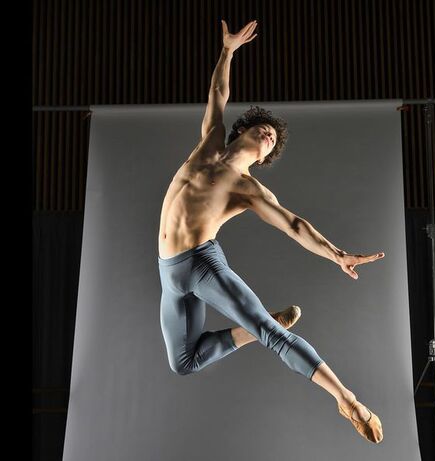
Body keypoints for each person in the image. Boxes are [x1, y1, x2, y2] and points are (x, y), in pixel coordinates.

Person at [157, 19, 384, 444]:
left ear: (264, 158)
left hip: (202, 265)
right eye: (263, 129)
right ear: (243, 129)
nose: (267, 135)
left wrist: (337, 254)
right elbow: (218, 95)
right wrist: (228, 51)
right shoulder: (209, 141)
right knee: (183, 362)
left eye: (271, 140)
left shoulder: (249, 188)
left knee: (272, 336)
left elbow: (294, 225)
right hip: (168, 272)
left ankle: (346, 397)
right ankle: (259, 324)